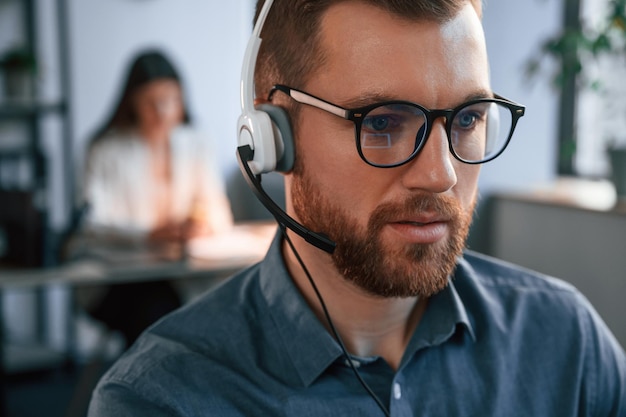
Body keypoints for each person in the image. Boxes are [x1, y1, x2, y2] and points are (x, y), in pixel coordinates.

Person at [88, 1, 626, 416]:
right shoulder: (161, 398)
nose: (440, 174)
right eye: (383, 122)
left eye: (467, 119)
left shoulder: (566, 344)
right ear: (274, 137)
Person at [78, 50, 233, 346]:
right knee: (155, 309)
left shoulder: (195, 143)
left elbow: (217, 211)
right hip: (119, 281)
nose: (162, 112)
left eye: (171, 100)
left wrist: (199, 225)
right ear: (132, 102)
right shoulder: (104, 149)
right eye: (152, 102)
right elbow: (92, 224)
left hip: (178, 274)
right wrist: (150, 234)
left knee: (225, 301)